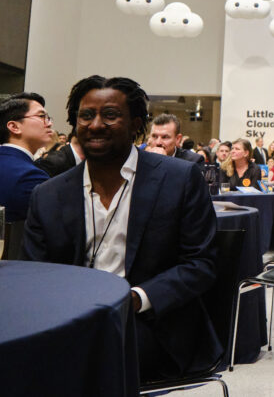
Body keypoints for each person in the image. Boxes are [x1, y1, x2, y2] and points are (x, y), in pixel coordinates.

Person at [22, 76, 220, 380]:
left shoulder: (180, 179)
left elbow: (201, 263)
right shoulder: (47, 194)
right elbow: (34, 274)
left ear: (135, 124)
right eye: (86, 116)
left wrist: (136, 299)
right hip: (68, 318)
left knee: (91, 358)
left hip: (152, 322)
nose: (95, 125)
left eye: (110, 115)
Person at [0, 92, 53, 221]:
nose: (49, 123)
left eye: (48, 118)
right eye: (42, 116)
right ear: (14, 127)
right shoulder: (30, 177)